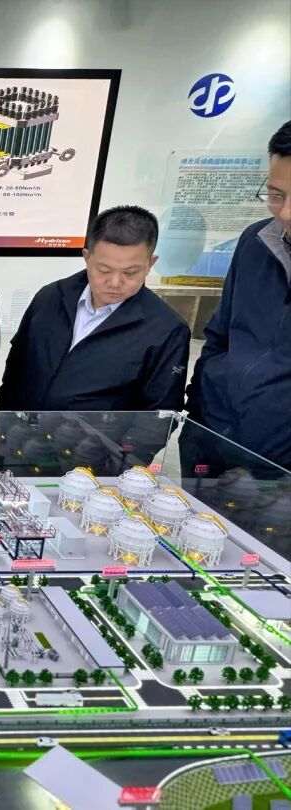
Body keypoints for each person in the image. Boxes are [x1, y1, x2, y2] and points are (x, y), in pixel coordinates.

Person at [0, 206, 191, 476]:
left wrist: (115, 472)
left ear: (151, 263)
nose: (115, 282)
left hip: (91, 466)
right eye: (104, 269)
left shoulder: (166, 329)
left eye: (131, 272)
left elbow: (156, 418)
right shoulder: (51, 298)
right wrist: (5, 433)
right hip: (20, 449)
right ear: (87, 257)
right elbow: (15, 371)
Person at [179, 121, 291, 549]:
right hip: (213, 442)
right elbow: (220, 334)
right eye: (276, 194)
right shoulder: (255, 241)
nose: (284, 213)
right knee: (191, 558)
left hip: (280, 475)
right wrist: (201, 407)